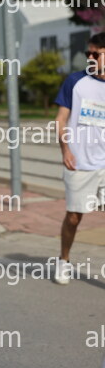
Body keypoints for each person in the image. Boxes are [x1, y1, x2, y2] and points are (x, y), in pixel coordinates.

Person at [53, 32, 105, 285]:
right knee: (74, 217)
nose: (90, 58)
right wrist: (66, 150)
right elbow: (60, 120)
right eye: (88, 53)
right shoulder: (75, 81)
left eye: (96, 54)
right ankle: (63, 260)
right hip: (79, 162)